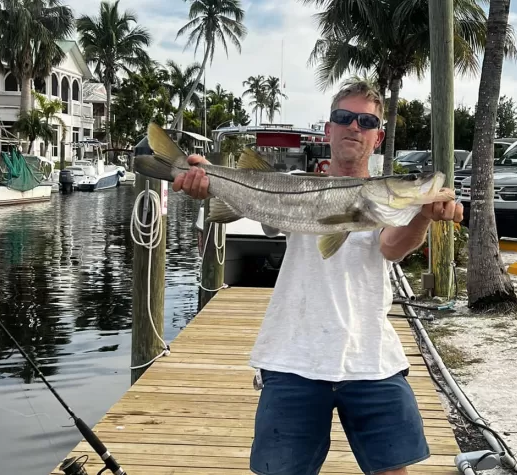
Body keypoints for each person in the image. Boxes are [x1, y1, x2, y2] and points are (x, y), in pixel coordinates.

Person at [172, 81, 464, 475]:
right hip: (293, 356)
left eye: (366, 121)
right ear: (329, 129)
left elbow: (392, 247)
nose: (353, 127)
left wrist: (425, 214)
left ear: (378, 137)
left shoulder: (382, 202)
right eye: (344, 118)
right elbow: (247, 196)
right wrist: (207, 177)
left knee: (394, 470)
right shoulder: (294, 181)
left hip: (371, 358)